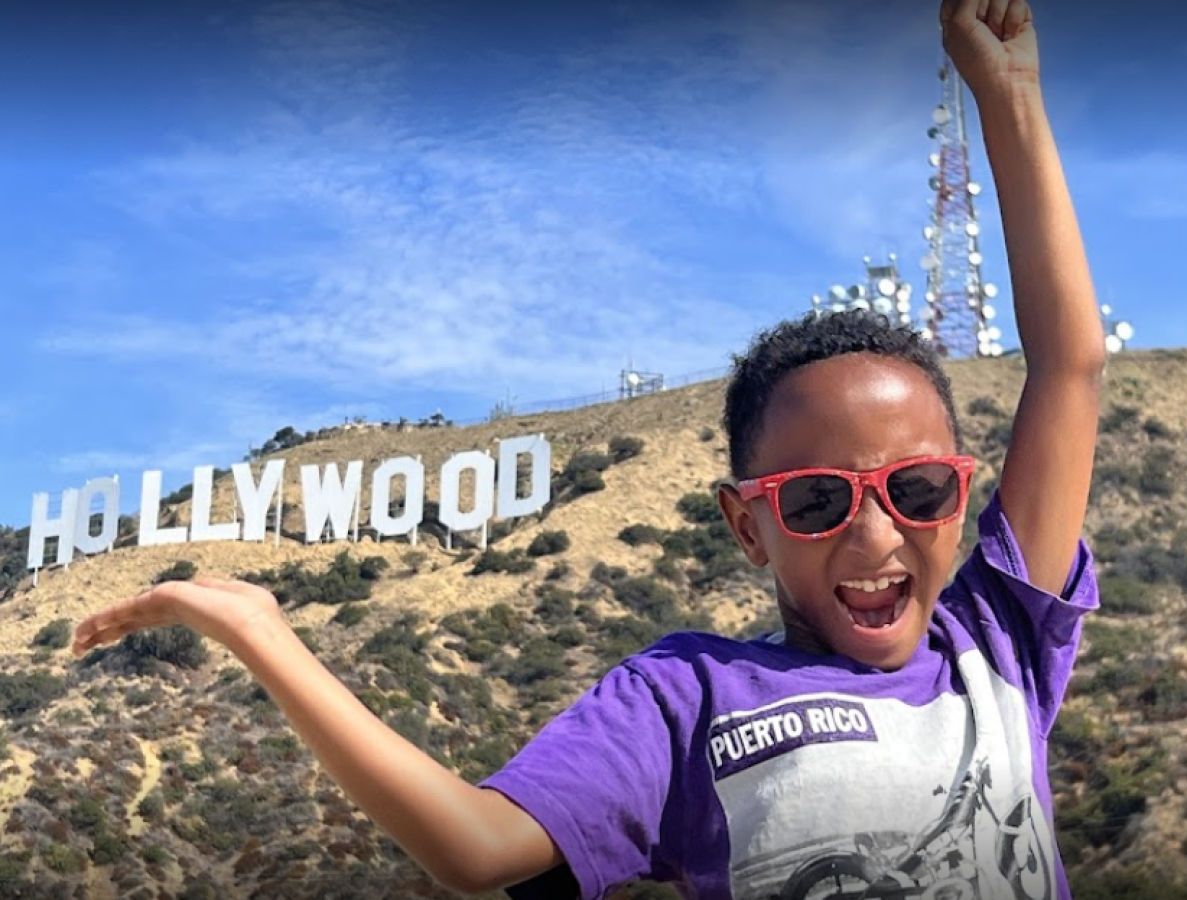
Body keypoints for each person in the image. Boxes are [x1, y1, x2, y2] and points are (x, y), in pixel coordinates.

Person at [72, 0, 1105, 897]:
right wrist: (263, 632)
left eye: (916, 489)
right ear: (747, 524)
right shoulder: (683, 699)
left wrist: (1009, 96)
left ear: (958, 493)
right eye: (817, 501)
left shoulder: (998, 643)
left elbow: (1068, 367)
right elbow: (476, 847)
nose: (875, 534)